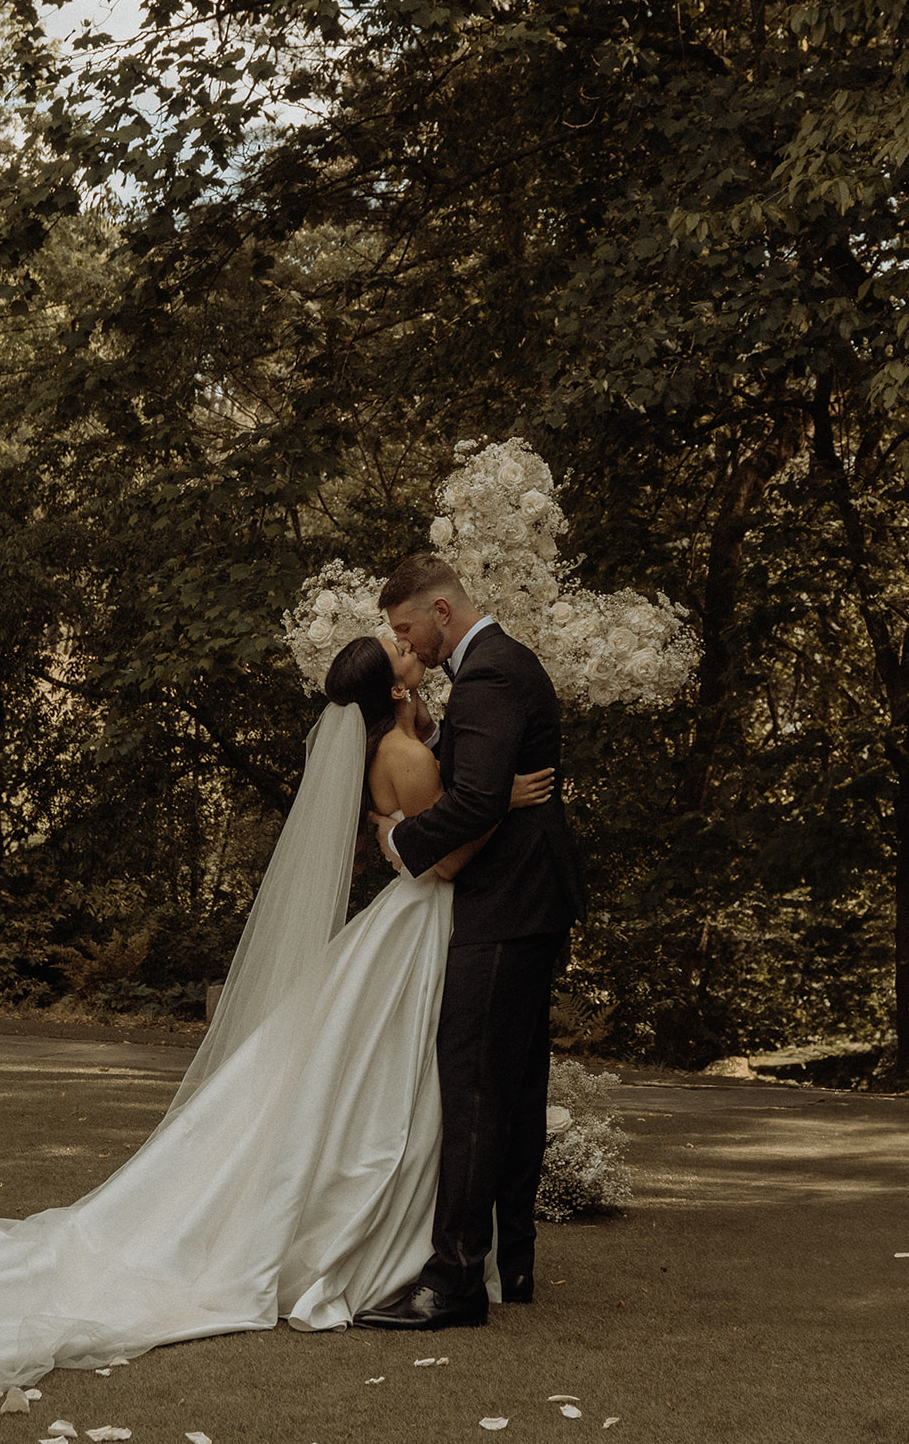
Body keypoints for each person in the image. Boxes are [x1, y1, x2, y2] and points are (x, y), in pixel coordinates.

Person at [0, 634, 550, 1390]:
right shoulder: (405, 754)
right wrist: (497, 803)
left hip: (404, 920)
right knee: (403, 1076)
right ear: (393, 690)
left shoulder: (389, 745)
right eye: (396, 653)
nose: (409, 653)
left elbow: (407, 832)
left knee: (375, 1073)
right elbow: (448, 855)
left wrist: (401, 823)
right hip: (425, 921)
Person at [355, 554, 585, 1333]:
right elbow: (487, 786)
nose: (405, 643)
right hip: (530, 898)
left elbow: (477, 797)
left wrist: (397, 839)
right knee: (514, 1088)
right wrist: (488, 792)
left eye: (406, 627)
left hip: (504, 902)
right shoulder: (504, 664)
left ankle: (454, 1280)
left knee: (475, 1087)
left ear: (442, 611)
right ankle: (510, 1263)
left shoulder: (487, 675)